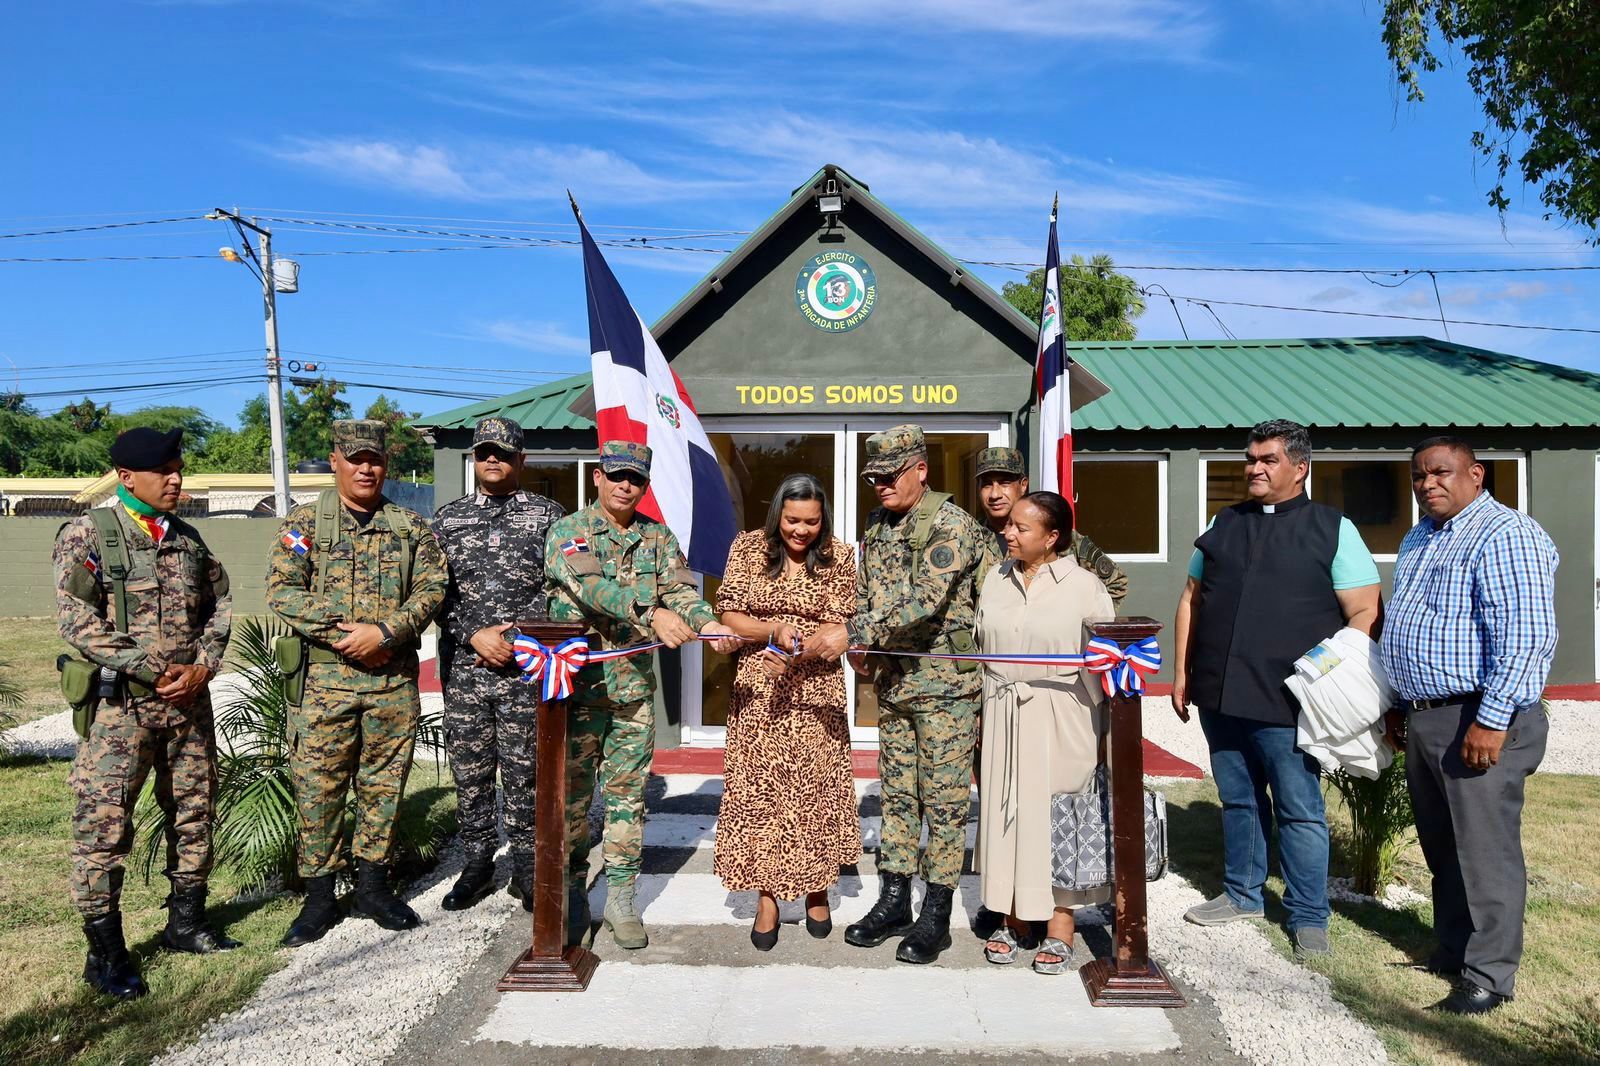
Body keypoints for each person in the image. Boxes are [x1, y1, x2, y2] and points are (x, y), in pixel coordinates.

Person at [1171, 419, 1380, 960]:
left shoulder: (1333, 529)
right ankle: (1243, 893)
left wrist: (1323, 674)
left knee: (1299, 809)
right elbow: (1191, 597)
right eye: (1250, 459)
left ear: (1299, 468)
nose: (1254, 468)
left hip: (1289, 701)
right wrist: (1182, 672)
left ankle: (1310, 915)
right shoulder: (1224, 522)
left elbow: (1363, 613)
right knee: (1238, 800)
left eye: (1268, 460)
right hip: (1220, 693)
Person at [53, 426, 235, 1000]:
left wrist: (203, 665)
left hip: (188, 706)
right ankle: (105, 952)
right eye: (165, 471)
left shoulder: (188, 539)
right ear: (128, 478)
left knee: (194, 811)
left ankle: (186, 923)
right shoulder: (87, 534)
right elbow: (76, 620)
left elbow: (219, 604)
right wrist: (150, 670)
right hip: (120, 710)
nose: (176, 479)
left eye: (179, 469)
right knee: (103, 827)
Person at [1381, 437, 1557, 1015]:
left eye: (1441, 472)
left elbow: (1527, 638)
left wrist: (1493, 719)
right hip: (1429, 716)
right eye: (1418, 476)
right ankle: (1454, 948)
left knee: (1486, 853)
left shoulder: (1506, 534)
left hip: (1481, 716)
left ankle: (1489, 976)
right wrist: (1401, 704)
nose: (1428, 484)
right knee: (1444, 848)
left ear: (1475, 474)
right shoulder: (1419, 537)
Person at [545, 440, 739, 950]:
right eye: (617, 476)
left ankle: (622, 897)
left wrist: (708, 622)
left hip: (632, 689)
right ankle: (569, 893)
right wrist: (652, 614)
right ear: (598, 478)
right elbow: (593, 590)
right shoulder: (569, 532)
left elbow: (678, 591)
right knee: (573, 799)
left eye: (635, 479)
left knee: (628, 798)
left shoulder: (657, 537)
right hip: (576, 690)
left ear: (645, 486)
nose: (625, 485)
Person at [266, 419, 448, 946]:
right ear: (335, 461)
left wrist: (386, 631)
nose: (366, 469)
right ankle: (319, 897)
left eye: (375, 460)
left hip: (390, 682)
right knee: (318, 789)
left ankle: (372, 886)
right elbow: (282, 589)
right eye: (356, 459)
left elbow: (433, 587)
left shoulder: (409, 527)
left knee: (382, 786)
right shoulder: (304, 525)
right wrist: (346, 635)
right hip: (324, 684)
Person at [843, 424, 998, 965]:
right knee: (899, 796)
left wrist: (855, 634)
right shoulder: (878, 523)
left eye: (889, 477)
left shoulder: (951, 524)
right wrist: (859, 638)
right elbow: (864, 590)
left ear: (920, 470)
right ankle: (894, 899)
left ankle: (936, 911)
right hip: (895, 683)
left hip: (945, 688)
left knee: (946, 802)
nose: (880, 486)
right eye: (873, 478)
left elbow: (926, 602)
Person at [711, 473, 861, 951]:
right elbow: (730, 612)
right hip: (760, 688)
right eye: (793, 520)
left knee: (814, 794)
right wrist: (771, 630)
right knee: (763, 796)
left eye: (811, 522)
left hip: (817, 687)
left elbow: (841, 622)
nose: (801, 531)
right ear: (778, 514)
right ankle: (768, 898)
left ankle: (817, 888)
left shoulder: (839, 556)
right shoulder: (749, 547)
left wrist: (805, 651)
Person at [974, 491, 1115, 974]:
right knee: (1006, 815)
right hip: (1002, 711)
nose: (1007, 533)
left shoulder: (1086, 586)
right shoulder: (994, 578)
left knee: (1058, 816)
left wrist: (1099, 732)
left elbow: (1109, 661)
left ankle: (1060, 924)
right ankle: (1014, 917)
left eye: (1020, 527)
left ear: (1053, 537)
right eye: (1008, 524)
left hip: (1063, 713)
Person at [433, 417, 565, 911]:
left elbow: (561, 591)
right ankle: (477, 862)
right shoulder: (446, 520)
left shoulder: (550, 517)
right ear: (473, 457)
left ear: (521, 460)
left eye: (504, 453)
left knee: (525, 772)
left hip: (526, 669)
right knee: (470, 772)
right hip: (467, 671)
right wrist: (473, 632)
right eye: (485, 452)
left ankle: (528, 865)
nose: (494, 460)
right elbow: (433, 594)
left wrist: (518, 634)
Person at [974, 447, 1128, 607]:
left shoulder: (1059, 537)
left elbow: (1116, 583)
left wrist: (1079, 623)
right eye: (986, 485)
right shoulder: (971, 538)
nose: (994, 494)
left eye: (1004, 483)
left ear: (1023, 485)